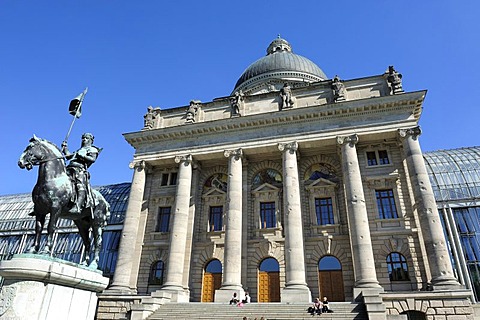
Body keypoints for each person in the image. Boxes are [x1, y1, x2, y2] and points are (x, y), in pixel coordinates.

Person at [62, 133, 101, 215]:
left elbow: (92, 159)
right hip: (69, 168)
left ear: (91, 140)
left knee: (79, 184)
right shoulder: (79, 150)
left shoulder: (92, 149)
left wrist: (83, 156)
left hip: (79, 170)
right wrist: (65, 148)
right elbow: (69, 156)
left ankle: (78, 206)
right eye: (83, 138)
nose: (84, 139)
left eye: (86, 138)